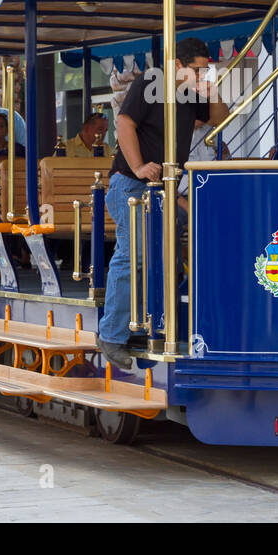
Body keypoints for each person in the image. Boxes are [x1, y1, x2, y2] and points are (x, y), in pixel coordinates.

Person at [100, 38, 229, 370]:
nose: (201, 74)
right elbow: (124, 123)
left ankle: (155, 325)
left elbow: (220, 117)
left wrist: (207, 85)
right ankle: (111, 335)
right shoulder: (151, 81)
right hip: (130, 183)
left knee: (167, 255)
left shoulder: (190, 91)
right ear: (176, 65)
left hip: (163, 190)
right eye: (197, 68)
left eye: (206, 69)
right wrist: (141, 165)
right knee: (136, 253)